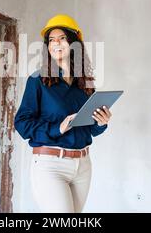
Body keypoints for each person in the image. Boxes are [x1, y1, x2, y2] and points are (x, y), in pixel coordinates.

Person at [14, 14, 112, 213]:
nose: (56, 43)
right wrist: (57, 128)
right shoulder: (38, 79)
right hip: (50, 166)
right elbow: (22, 123)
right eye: (51, 40)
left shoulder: (85, 82)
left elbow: (91, 129)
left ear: (74, 43)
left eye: (62, 38)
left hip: (83, 166)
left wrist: (101, 122)